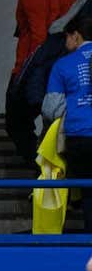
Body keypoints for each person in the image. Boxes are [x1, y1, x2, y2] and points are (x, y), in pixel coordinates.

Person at [7, 0, 86, 164]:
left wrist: (22, 74)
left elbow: (37, 35)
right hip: (54, 65)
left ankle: (38, 166)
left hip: (33, 64)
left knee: (15, 121)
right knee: (50, 118)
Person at [43, 18, 92, 231]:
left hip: (79, 136)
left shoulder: (63, 64)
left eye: (66, 37)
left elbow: (51, 108)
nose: (65, 42)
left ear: (77, 35)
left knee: (88, 190)